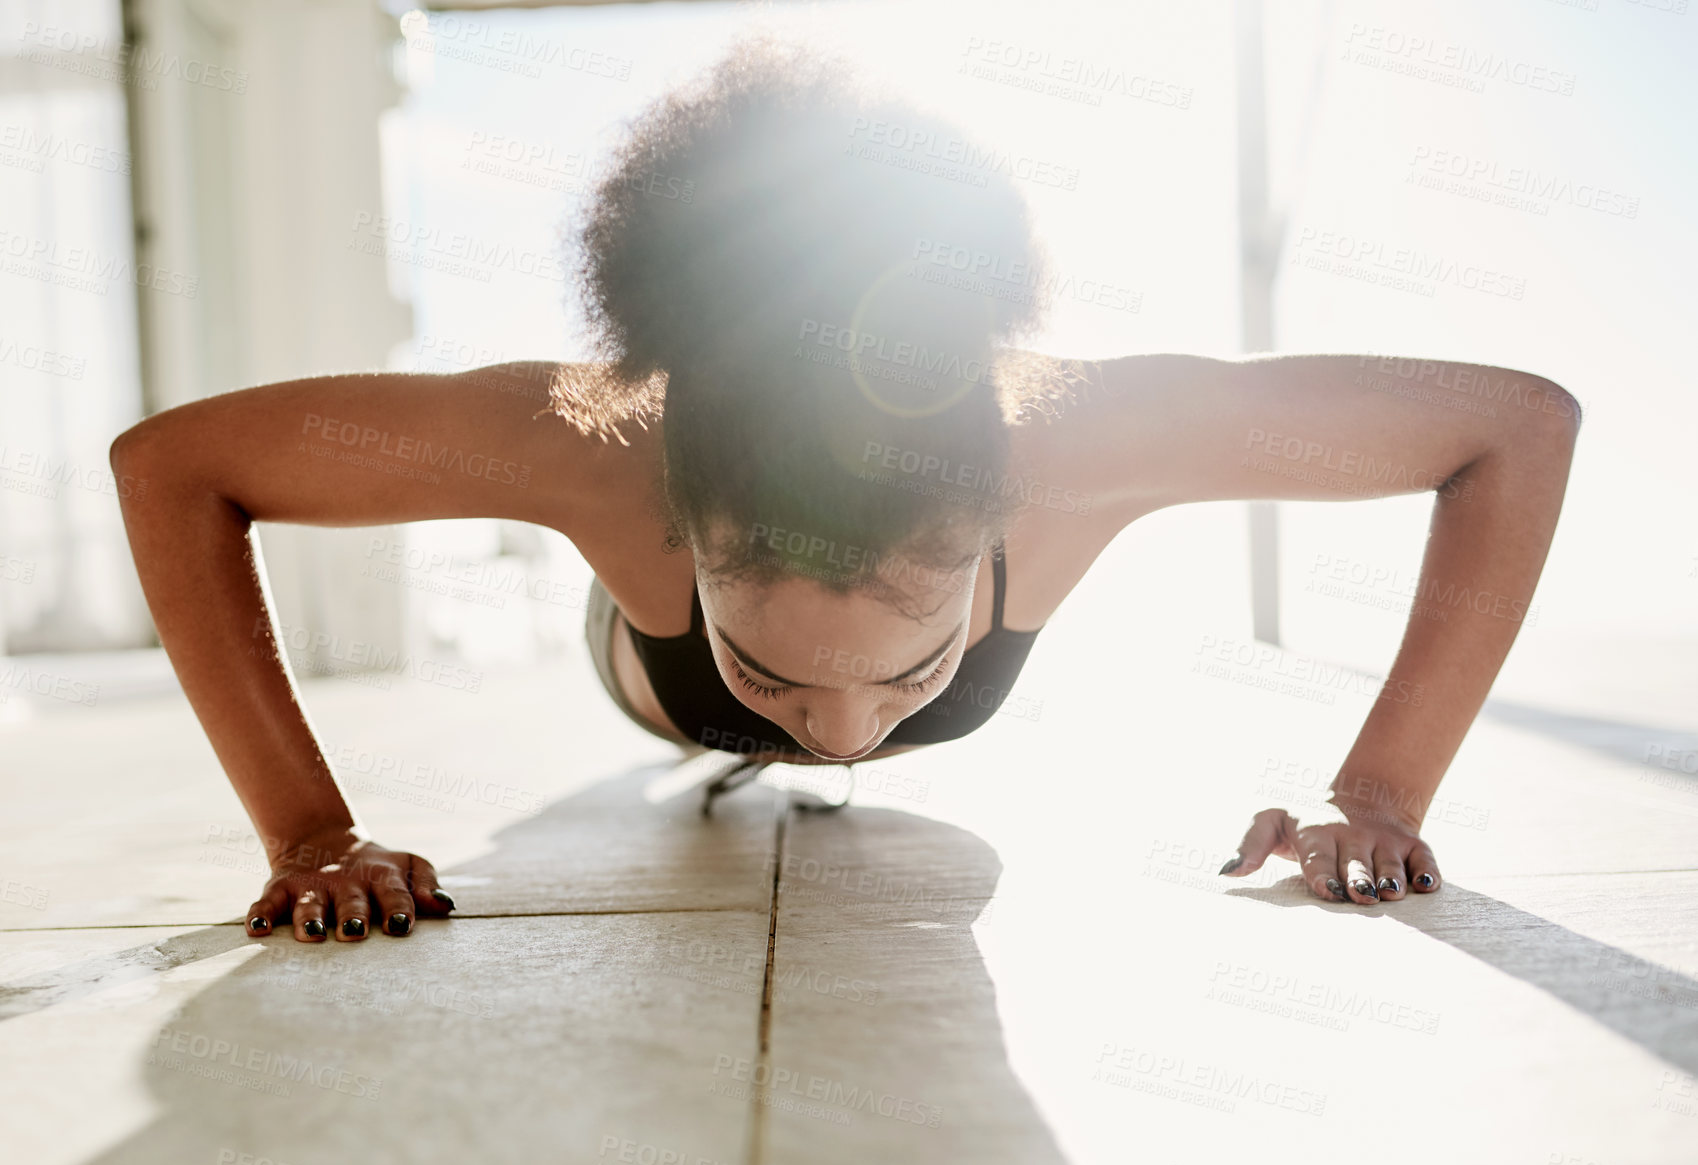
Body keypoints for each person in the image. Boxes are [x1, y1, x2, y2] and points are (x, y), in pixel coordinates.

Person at [108, 36, 1580, 945]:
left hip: (845, 579)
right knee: (744, 694)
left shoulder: (1077, 439)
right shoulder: (589, 439)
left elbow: (1511, 427)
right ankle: (791, 660)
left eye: (904, 670)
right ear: (683, 523)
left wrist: (1375, 794)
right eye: (776, 669)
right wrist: (308, 832)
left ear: (1000, 518)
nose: (843, 735)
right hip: (651, 682)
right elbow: (174, 466)